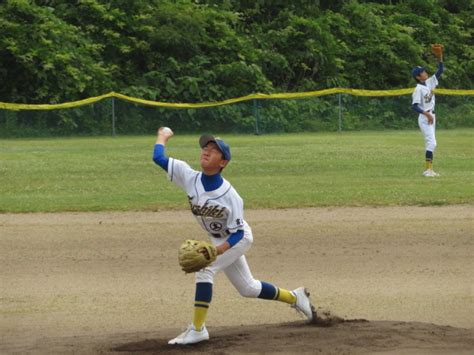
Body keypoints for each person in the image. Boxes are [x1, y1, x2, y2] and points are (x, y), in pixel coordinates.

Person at [152, 127, 314, 345]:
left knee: (205, 269)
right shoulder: (188, 176)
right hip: (218, 239)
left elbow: (238, 233)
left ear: (223, 162)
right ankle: (295, 297)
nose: (206, 151)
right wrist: (163, 135)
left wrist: (218, 250)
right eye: (205, 147)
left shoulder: (231, 196)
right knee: (248, 288)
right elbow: (158, 157)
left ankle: (198, 329)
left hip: (236, 239)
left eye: (214, 150)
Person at [411, 45, 444, 177]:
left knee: (431, 142)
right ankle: (428, 170)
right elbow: (414, 106)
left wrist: (440, 57)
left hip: (431, 115)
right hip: (425, 117)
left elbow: (440, 70)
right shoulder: (418, 89)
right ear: (418, 77)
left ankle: (429, 169)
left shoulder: (430, 82)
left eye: (424, 71)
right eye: (422, 72)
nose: (425, 73)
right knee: (432, 143)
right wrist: (427, 115)